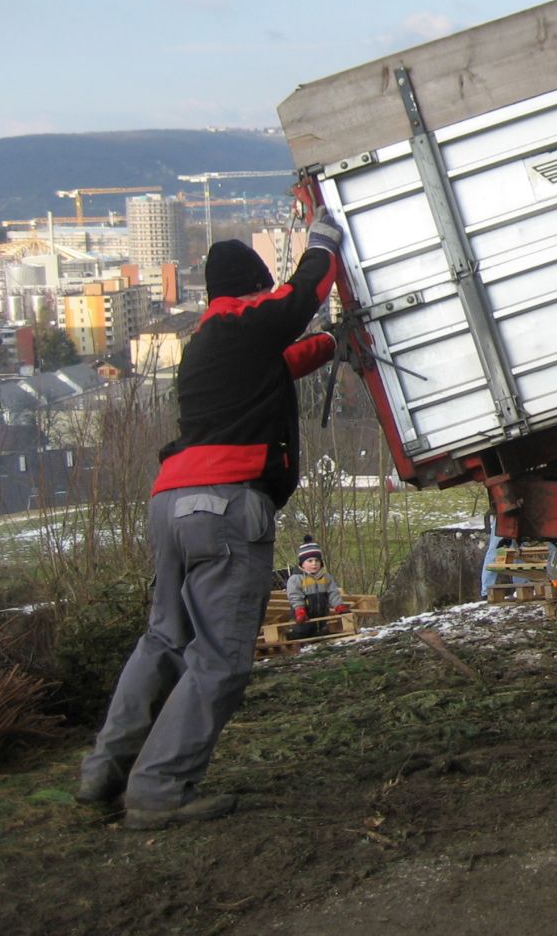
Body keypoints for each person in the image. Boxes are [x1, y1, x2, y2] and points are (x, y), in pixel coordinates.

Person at [77, 210, 344, 829]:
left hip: (171, 504)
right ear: (251, 290)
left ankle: (104, 771)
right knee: (221, 657)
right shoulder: (242, 320)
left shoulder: (206, 345)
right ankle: (159, 788)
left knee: (164, 640)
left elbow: (281, 363)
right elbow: (300, 297)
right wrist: (324, 243)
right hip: (223, 507)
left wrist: (334, 346)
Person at [285, 540, 348, 639]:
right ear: (302, 564)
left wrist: (339, 606)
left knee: (321, 634)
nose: (314, 564)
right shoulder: (296, 579)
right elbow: (294, 596)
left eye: (317, 560)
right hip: (303, 617)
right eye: (310, 561)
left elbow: (333, 593)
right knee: (301, 635)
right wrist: (299, 609)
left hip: (321, 616)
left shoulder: (326, 577)